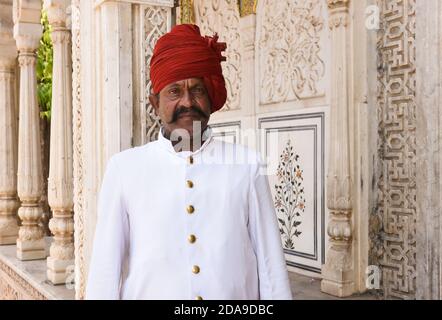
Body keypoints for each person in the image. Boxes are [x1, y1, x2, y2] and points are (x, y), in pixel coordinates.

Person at [85, 24, 292, 300]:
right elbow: (105, 271)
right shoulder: (124, 169)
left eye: (197, 90)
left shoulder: (247, 166)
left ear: (210, 99)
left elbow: (270, 266)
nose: (187, 102)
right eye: (174, 92)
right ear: (155, 103)